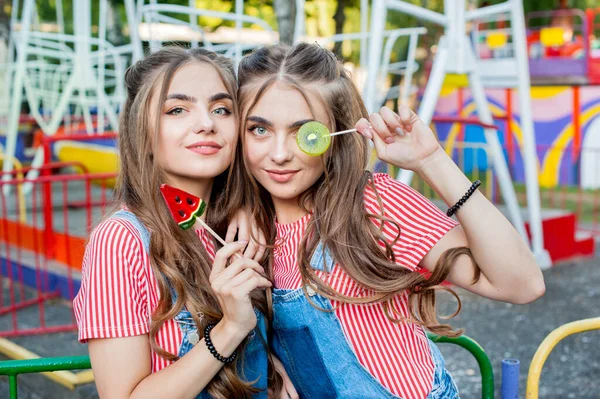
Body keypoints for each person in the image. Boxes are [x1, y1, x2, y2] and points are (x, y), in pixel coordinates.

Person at [232, 43, 545, 398]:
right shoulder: (242, 225)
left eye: (304, 133)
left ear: (334, 136)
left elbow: (522, 285)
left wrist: (432, 161)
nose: (278, 154)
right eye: (259, 130)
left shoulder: (375, 204)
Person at [73, 47, 294, 399]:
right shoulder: (120, 240)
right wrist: (231, 329)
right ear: (141, 132)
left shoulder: (244, 225)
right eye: (177, 109)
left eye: (221, 109)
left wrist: (271, 368)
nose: (207, 123)